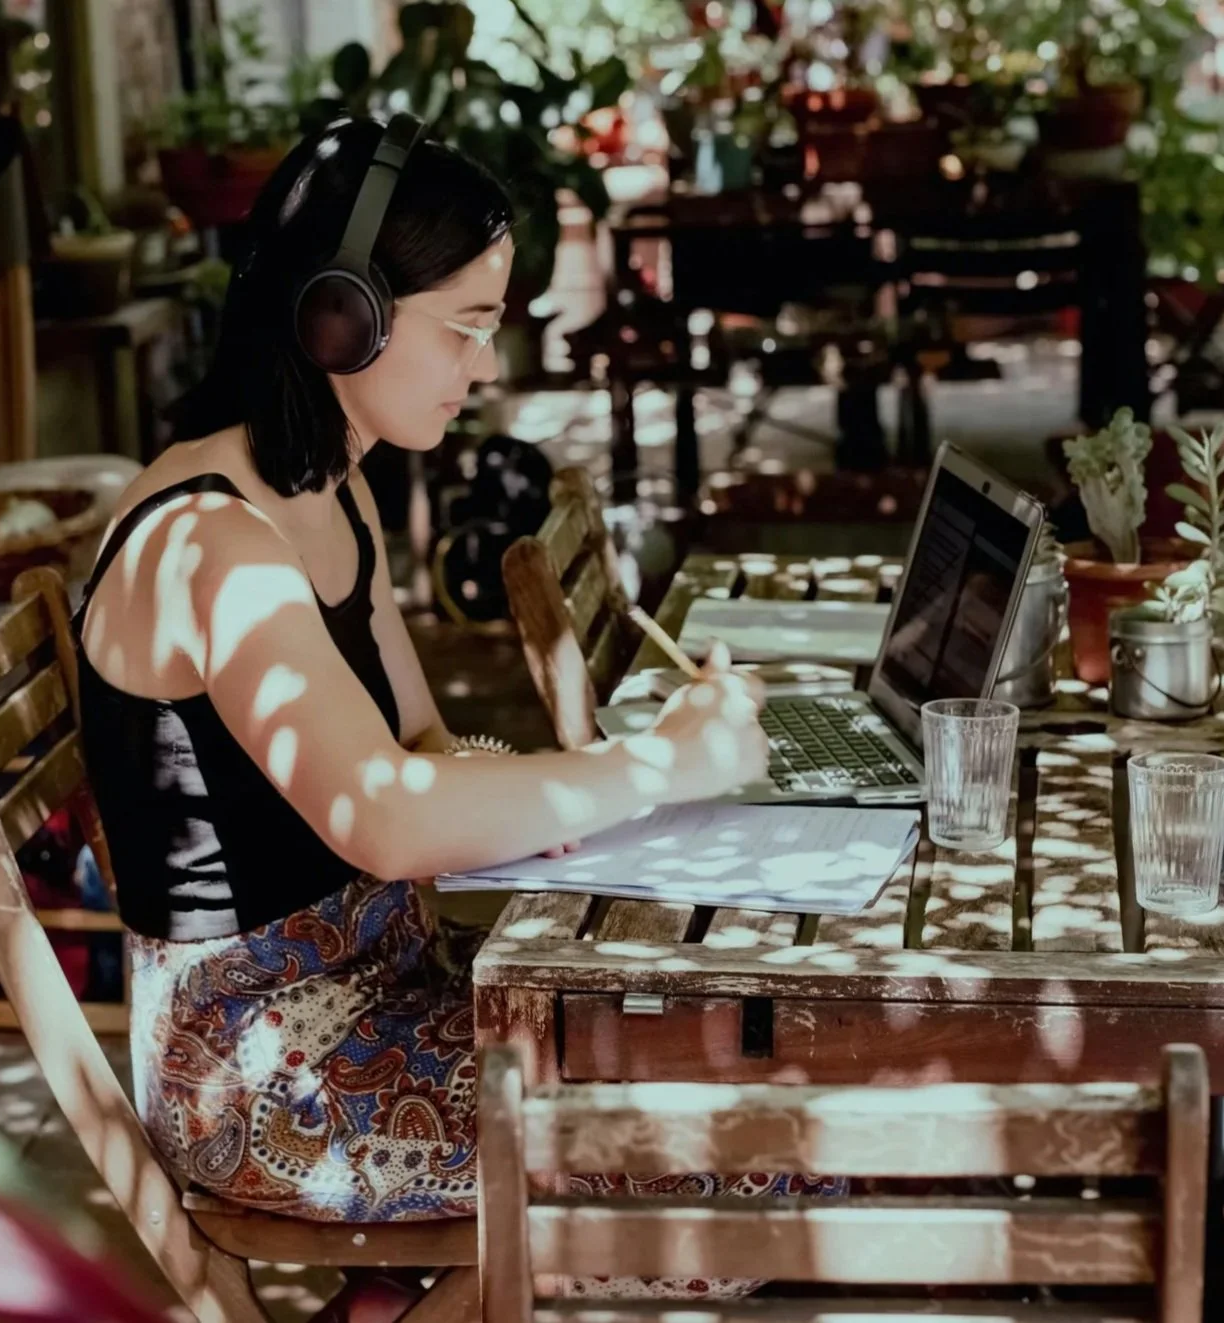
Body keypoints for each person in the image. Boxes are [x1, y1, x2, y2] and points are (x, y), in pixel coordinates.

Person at [74, 117, 833, 1301]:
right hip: (270, 1078)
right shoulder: (214, 545)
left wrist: (548, 795)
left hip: (394, 988)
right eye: (466, 329)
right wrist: (654, 767)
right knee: (748, 1148)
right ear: (342, 315)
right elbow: (385, 817)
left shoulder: (330, 485)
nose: (484, 367)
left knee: (760, 1051)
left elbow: (423, 752)